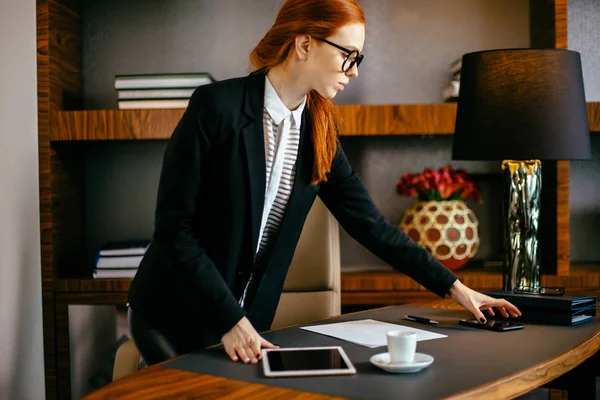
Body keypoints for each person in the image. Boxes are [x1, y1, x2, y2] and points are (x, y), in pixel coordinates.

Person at [127, 0, 521, 366]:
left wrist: (457, 289)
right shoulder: (217, 107)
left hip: (249, 326)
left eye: (358, 58)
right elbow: (174, 229)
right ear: (304, 44)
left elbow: (370, 225)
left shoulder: (319, 129)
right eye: (347, 55)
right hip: (172, 314)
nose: (354, 70)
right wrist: (229, 319)